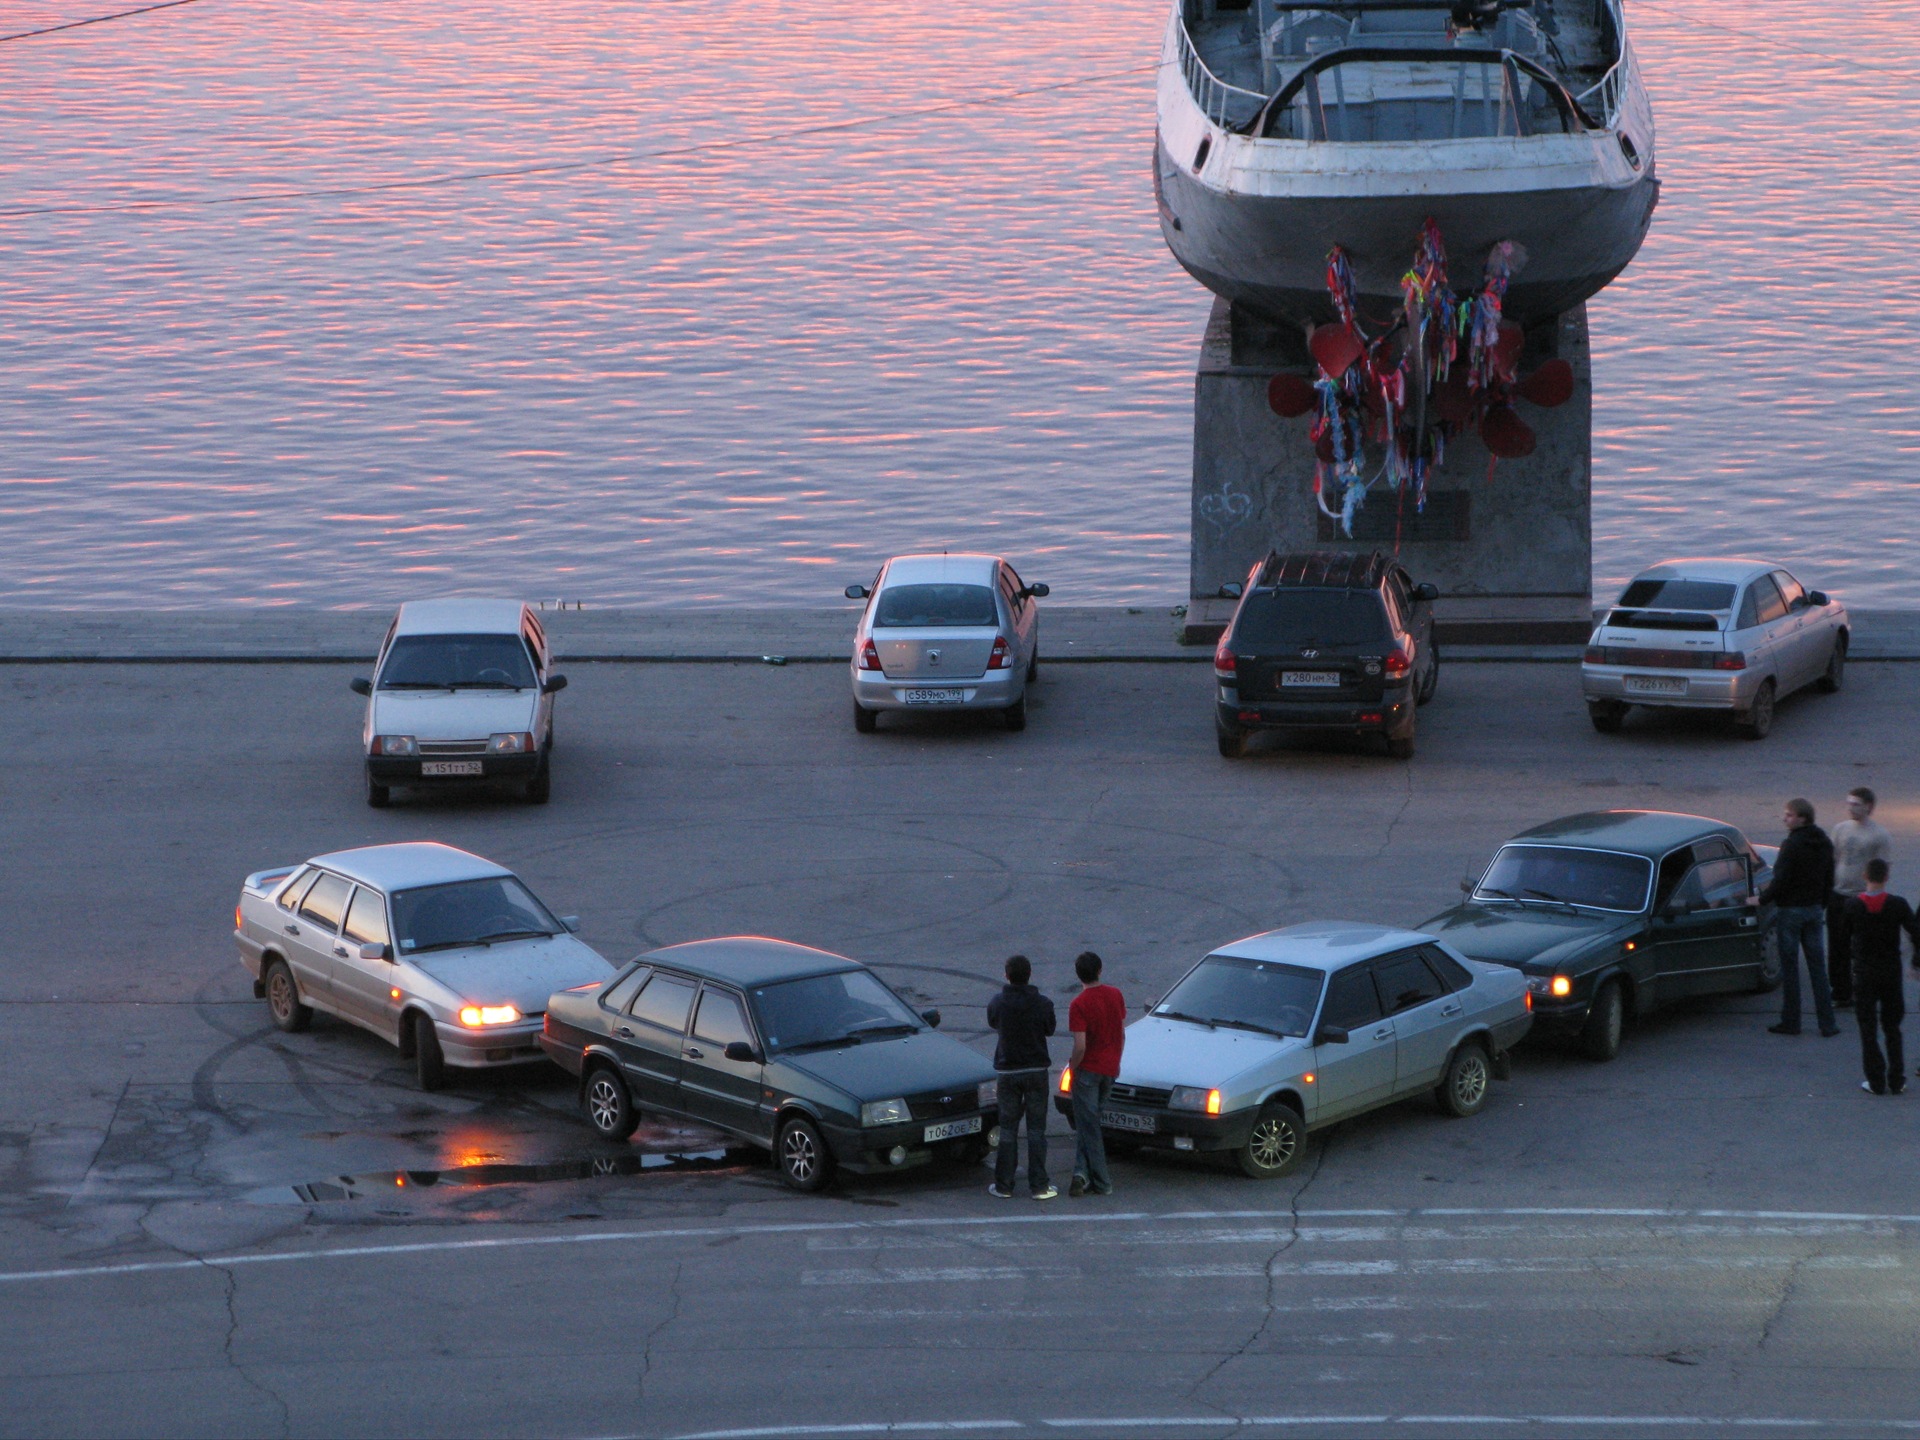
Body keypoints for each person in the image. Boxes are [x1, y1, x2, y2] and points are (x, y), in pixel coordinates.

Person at [1760, 797, 1839, 1038]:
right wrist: (1821, 903)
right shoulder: (1823, 842)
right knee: (1817, 968)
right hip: (1814, 909)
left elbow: (1781, 879)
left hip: (1791, 911)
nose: (1785, 818)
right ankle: (1828, 1024)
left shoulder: (1791, 845)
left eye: (1789, 815)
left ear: (1802, 818)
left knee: (1790, 967)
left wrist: (1762, 899)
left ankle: (1791, 1021)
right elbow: (1829, 877)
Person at [985, 954, 1058, 1201]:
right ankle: (1039, 1186)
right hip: (1036, 1070)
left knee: (1008, 1128)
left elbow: (994, 1023)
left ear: (1006, 975)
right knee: (1037, 1130)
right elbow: (1050, 1029)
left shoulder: (998, 1002)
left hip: (1007, 1071)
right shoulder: (1043, 1003)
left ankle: (1004, 1184)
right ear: (1029, 975)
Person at [1844, 859, 1919, 1095]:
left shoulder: (1853, 905)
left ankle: (1875, 1080)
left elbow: (1841, 940)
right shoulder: (1898, 904)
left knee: (1867, 1027)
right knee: (1892, 1026)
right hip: (1890, 972)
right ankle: (1897, 1079)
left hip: (1865, 972)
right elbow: (1916, 933)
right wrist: (1915, 962)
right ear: (1886, 877)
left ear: (1865, 875)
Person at [1065, 950, 1126, 1198]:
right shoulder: (1115, 995)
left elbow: (1080, 1046)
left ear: (1078, 975)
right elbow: (1121, 1033)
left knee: (1089, 1128)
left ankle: (1102, 1181)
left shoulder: (1078, 1004)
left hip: (1088, 1070)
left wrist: (1073, 1066)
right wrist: (1117, 1061)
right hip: (1110, 1068)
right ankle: (1080, 1174)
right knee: (1090, 1124)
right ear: (1100, 970)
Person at [1828, 787, 1893, 1009]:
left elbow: (1883, 868)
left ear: (1869, 807)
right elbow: (1833, 858)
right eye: (1848, 803)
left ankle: (1864, 991)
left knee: (1863, 948)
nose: (1850, 808)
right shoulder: (1840, 829)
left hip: (1862, 898)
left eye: (1856, 804)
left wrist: (1874, 895)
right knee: (1837, 946)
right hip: (1839, 894)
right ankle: (1841, 992)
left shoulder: (1879, 835)